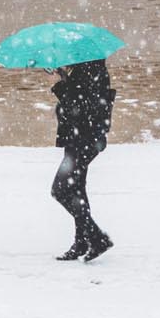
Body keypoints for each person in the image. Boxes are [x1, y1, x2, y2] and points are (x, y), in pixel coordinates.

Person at [50, 58, 116, 261]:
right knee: (77, 188)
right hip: (79, 139)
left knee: (59, 190)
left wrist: (62, 84)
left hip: (83, 140)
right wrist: (64, 77)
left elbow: (78, 107)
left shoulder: (89, 73)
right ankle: (81, 242)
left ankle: (96, 238)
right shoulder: (87, 71)